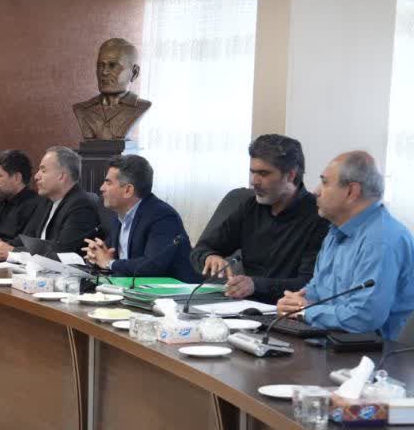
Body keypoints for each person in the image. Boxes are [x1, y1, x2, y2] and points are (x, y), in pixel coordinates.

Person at [275, 151, 414, 339]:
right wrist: (294, 303)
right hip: (330, 340)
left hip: (373, 350)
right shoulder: (336, 231)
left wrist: (305, 311)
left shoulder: (381, 240)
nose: (316, 191)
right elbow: (316, 290)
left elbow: (364, 317)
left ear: (351, 192)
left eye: (324, 182)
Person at [190, 134, 329, 303]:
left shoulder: (319, 215)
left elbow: (309, 284)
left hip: (286, 310)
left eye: (263, 173)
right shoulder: (250, 207)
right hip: (240, 306)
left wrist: (256, 285)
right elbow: (201, 249)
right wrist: (209, 256)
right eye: (252, 172)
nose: (254, 181)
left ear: (291, 175)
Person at [83, 155, 198, 282]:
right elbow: (109, 256)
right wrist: (96, 256)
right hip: (132, 289)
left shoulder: (162, 217)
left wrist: (110, 263)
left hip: (174, 292)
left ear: (128, 190)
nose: (102, 188)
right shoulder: (119, 217)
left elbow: (152, 266)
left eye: (108, 182)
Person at [0, 146, 100, 259]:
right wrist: (4, 245)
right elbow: (28, 237)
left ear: (61, 176)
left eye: (43, 170)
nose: (36, 176)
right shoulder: (46, 201)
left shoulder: (81, 205)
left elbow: (63, 251)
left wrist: (13, 252)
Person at [71, 38, 152, 141]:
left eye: (112, 65)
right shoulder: (82, 109)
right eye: (101, 65)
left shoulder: (141, 107)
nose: (104, 72)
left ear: (134, 73)